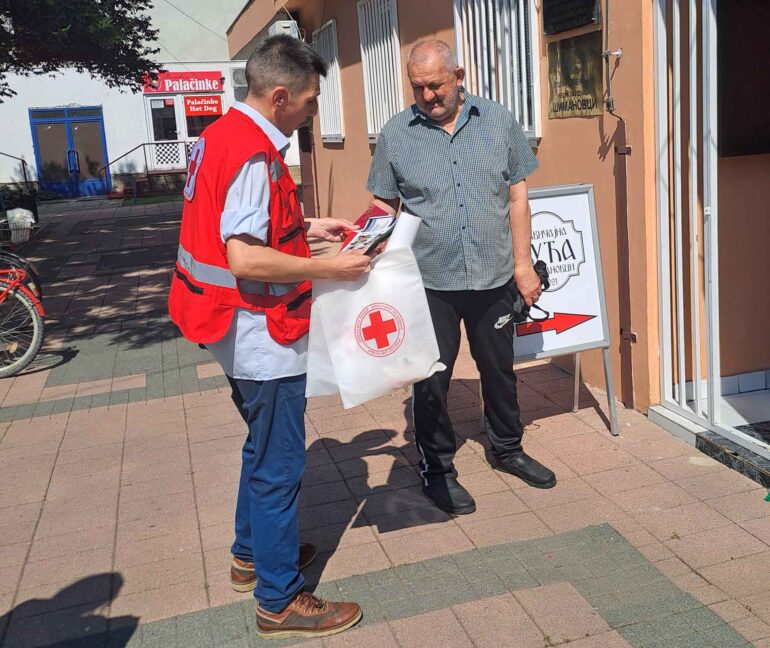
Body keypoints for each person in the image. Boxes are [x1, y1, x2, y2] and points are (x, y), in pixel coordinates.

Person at [168, 35, 368, 639]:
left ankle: (250, 555)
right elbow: (245, 257)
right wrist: (329, 268)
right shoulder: (254, 155)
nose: (312, 113)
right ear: (280, 96)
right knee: (279, 466)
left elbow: (242, 220)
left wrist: (308, 226)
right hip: (261, 336)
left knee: (261, 449)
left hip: (226, 328)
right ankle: (280, 600)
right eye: (309, 102)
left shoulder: (219, 136)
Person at [366, 39, 556, 516]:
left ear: (459, 76)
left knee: (499, 370)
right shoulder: (396, 134)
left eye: (436, 85)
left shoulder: (498, 121)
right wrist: (360, 243)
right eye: (418, 87)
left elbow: (517, 196)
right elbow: (383, 203)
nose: (428, 96)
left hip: (494, 275)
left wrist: (523, 266)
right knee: (431, 379)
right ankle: (437, 470)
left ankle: (507, 449)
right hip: (430, 282)